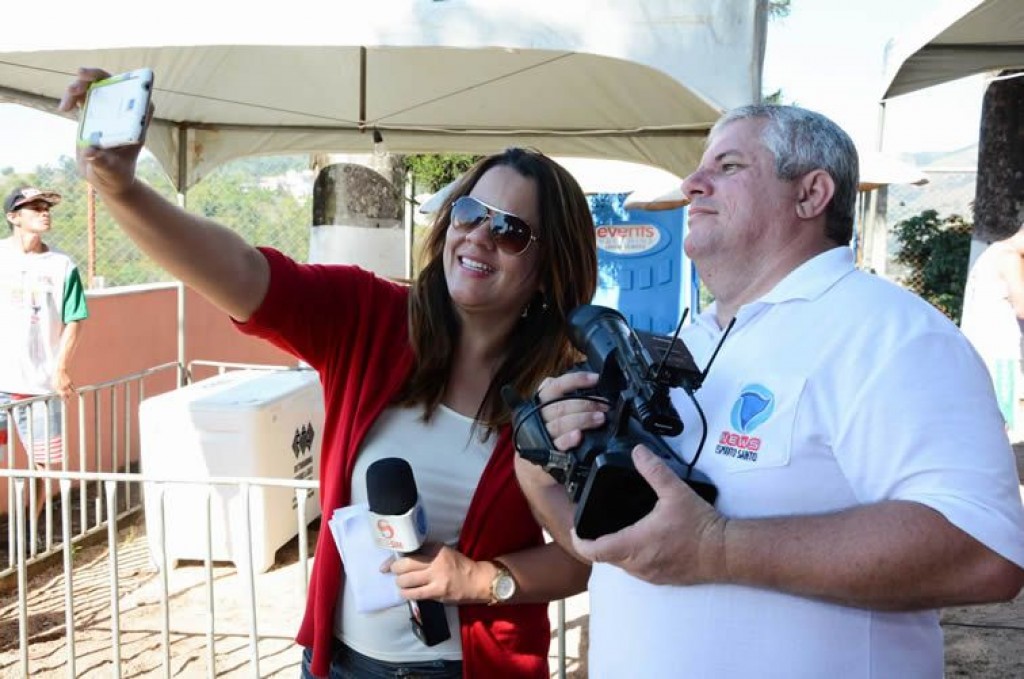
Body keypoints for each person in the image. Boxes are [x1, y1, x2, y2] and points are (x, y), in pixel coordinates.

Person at [61, 67, 596, 678]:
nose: (479, 235)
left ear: (548, 267)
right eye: (471, 212)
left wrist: (481, 579)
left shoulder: (563, 394)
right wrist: (121, 188)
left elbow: (587, 556)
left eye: (511, 230)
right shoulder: (368, 317)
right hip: (338, 661)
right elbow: (239, 272)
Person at [516, 104, 1024, 677]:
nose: (692, 184)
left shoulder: (892, 332)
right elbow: (623, 554)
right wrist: (538, 470)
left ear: (811, 194)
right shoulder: (694, 341)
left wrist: (719, 549)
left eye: (728, 165)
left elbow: (983, 550)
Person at [0, 186, 89, 552]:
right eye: (34, 207)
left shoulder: (62, 266)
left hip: (38, 385)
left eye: (47, 206)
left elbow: (75, 318)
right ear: (13, 217)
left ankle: (25, 533)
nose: (44, 212)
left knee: (43, 464)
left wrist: (61, 368)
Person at [960, 224, 1024, 432]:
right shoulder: (1010, 257)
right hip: (999, 354)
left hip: (979, 351)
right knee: (1002, 428)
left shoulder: (994, 252)